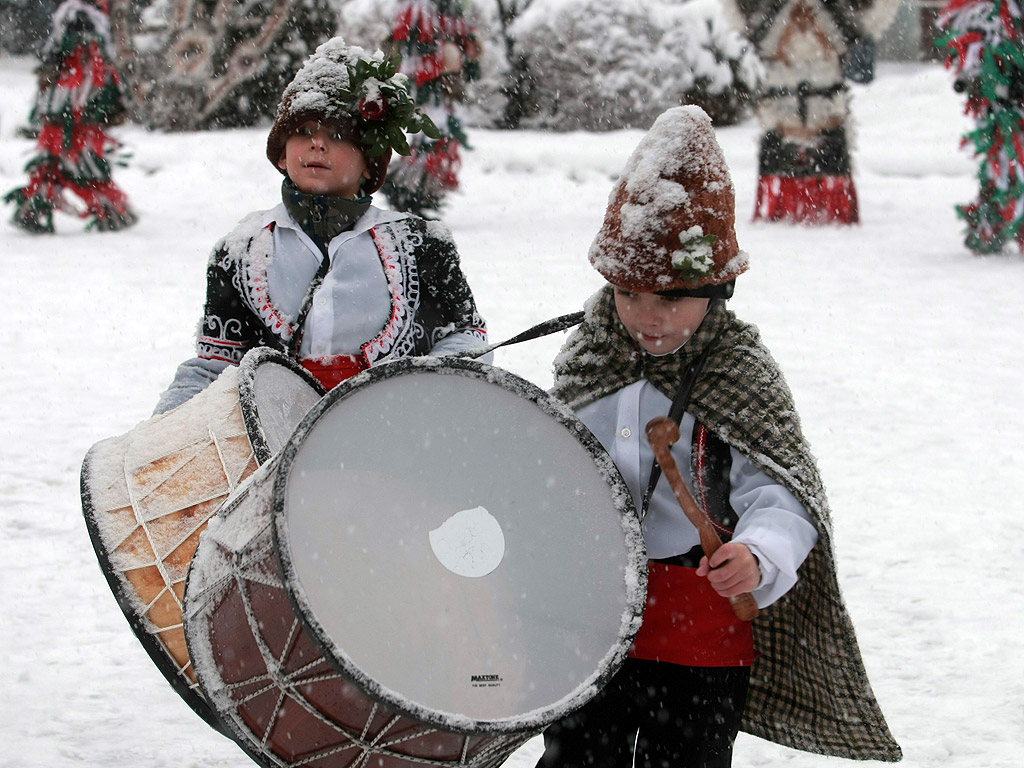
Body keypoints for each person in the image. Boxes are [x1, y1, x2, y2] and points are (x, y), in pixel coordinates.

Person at [538, 107, 901, 767]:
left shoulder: (737, 372)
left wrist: (759, 553)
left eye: (671, 297)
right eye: (628, 293)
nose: (646, 315)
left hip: (698, 626)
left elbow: (781, 490)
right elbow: (547, 465)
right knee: (576, 758)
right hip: (590, 618)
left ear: (718, 288)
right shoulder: (590, 353)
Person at [154, 37, 487, 414]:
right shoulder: (239, 252)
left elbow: (466, 339)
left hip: (395, 440)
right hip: (271, 449)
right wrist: (156, 436)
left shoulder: (421, 245)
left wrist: (416, 402)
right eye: (303, 131)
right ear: (282, 154)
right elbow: (215, 369)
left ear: (370, 163)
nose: (318, 145)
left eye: (338, 134)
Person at [4, 0, 137, 233]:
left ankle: (33, 209)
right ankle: (112, 212)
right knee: (74, 160)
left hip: (69, 105)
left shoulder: (79, 16)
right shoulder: (81, 16)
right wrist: (100, 99)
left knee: (58, 160)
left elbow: (65, 59)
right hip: (73, 106)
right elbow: (87, 65)